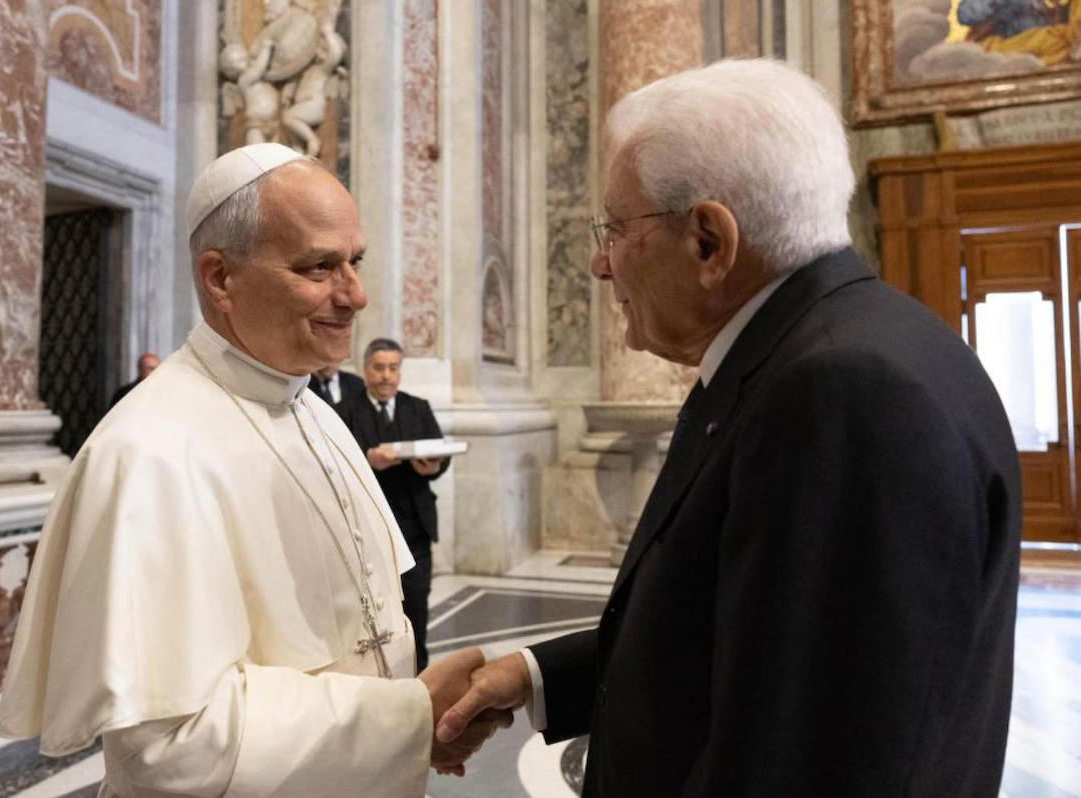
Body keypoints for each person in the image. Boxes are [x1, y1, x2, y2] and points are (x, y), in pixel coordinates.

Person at [437, 59, 1022, 797]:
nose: (597, 263)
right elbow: (747, 643)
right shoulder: (810, 353)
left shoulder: (843, 393)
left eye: (616, 228)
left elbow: (805, 756)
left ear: (709, 241)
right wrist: (532, 676)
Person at [0, 143, 508, 796]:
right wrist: (408, 718)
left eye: (355, 262)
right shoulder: (147, 451)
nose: (355, 294)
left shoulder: (317, 412)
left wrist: (408, 736)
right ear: (220, 278)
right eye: (320, 266)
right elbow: (175, 749)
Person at [338, 338, 448, 673]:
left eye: (393, 368)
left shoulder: (419, 408)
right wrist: (368, 460)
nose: (386, 376)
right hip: (365, 528)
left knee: (416, 603)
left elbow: (439, 455)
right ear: (365, 369)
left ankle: (419, 675)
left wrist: (434, 466)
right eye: (379, 368)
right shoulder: (344, 411)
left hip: (414, 524)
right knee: (366, 610)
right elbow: (337, 463)